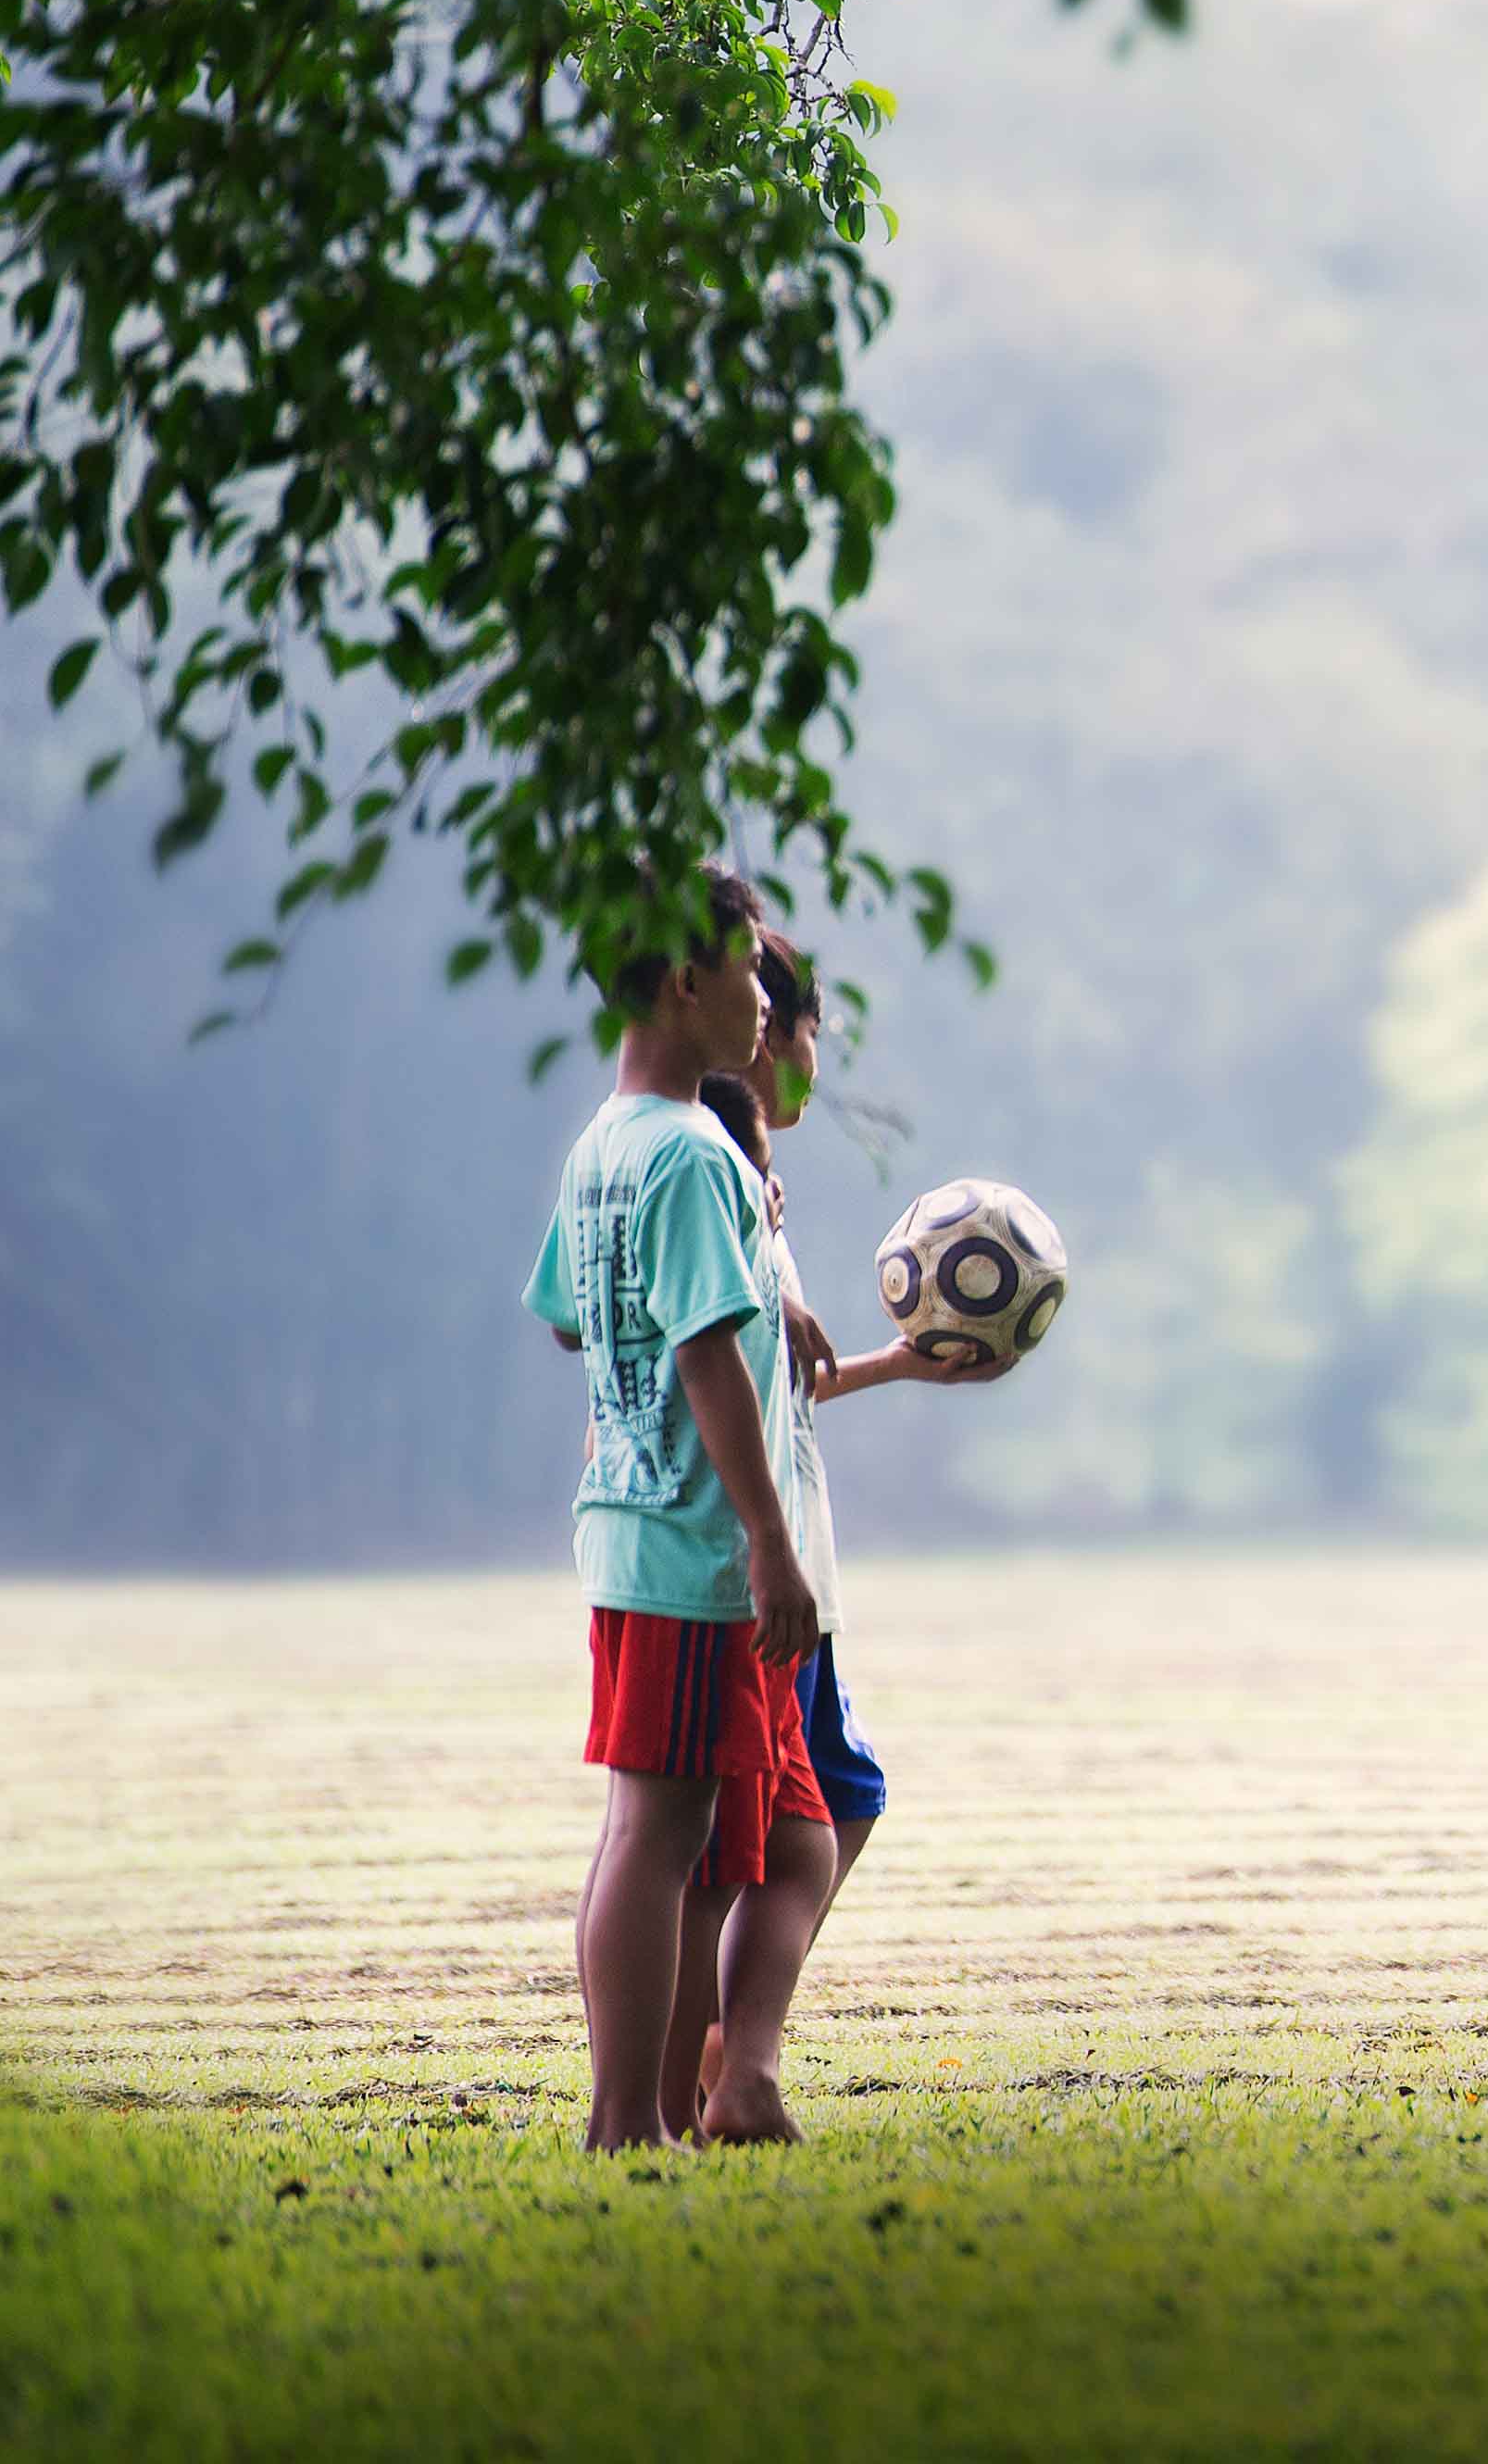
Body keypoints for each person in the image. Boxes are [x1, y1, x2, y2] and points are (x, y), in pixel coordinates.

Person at [526, 863, 824, 2149]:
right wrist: (770, 1543)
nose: (767, 996)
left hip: (623, 1525)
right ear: (686, 980)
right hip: (695, 1542)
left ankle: (639, 2110)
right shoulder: (697, 1151)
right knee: (662, 1829)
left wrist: (756, 1272)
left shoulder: (607, 1143)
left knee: (664, 1825)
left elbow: (569, 1321)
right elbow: (704, 1350)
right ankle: (621, 2122)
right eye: (753, 969)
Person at [683, 943, 991, 2124]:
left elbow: (775, 1382)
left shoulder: (750, 1186)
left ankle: (726, 2051)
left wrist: (898, 1367)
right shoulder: (721, 1182)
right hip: (750, 1563)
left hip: (787, 1562)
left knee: (835, 1803)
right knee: (784, 1833)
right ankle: (725, 2068)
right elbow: (715, 1368)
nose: (811, 1057)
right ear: (766, 1036)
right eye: (805, 1033)